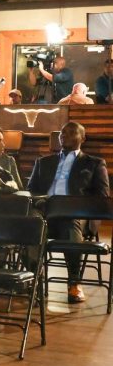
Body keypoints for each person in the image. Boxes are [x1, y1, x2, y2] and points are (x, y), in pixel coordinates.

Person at [26, 121, 110, 303]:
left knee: (70, 222)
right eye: (62, 133)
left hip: (77, 214)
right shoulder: (43, 162)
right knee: (30, 222)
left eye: (72, 133)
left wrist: (76, 205)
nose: (65, 136)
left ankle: (74, 282)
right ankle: (32, 279)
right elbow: (30, 190)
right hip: (46, 211)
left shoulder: (94, 163)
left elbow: (101, 197)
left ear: (83, 138)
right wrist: (40, 200)